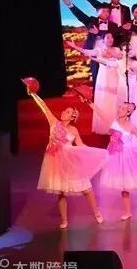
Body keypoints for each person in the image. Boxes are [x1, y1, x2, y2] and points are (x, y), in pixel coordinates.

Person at [25, 86, 108, 229]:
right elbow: (44, 106)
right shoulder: (54, 122)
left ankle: (96, 213)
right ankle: (64, 220)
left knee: (86, 188)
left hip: (71, 160)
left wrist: (95, 152)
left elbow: (80, 144)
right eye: (65, 110)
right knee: (61, 192)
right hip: (57, 162)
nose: (64, 112)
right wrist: (33, 94)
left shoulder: (73, 130)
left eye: (68, 112)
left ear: (72, 117)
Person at [77, 95, 137, 220]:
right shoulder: (113, 123)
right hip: (117, 157)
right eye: (119, 108)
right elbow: (100, 112)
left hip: (130, 156)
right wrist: (88, 102)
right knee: (124, 186)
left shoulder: (131, 126)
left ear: (128, 112)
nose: (119, 110)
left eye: (123, 108)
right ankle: (128, 212)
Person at [66, 34, 125, 134]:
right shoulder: (99, 50)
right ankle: (104, 126)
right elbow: (86, 51)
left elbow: (122, 57)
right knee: (104, 99)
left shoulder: (116, 49)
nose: (110, 39)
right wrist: (75, 47)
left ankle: (115, 124)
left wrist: (113, 55)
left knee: (114, 100)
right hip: (103, 78)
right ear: (103, 40)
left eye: (112, 37)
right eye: (108, 38)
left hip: (114, 77)